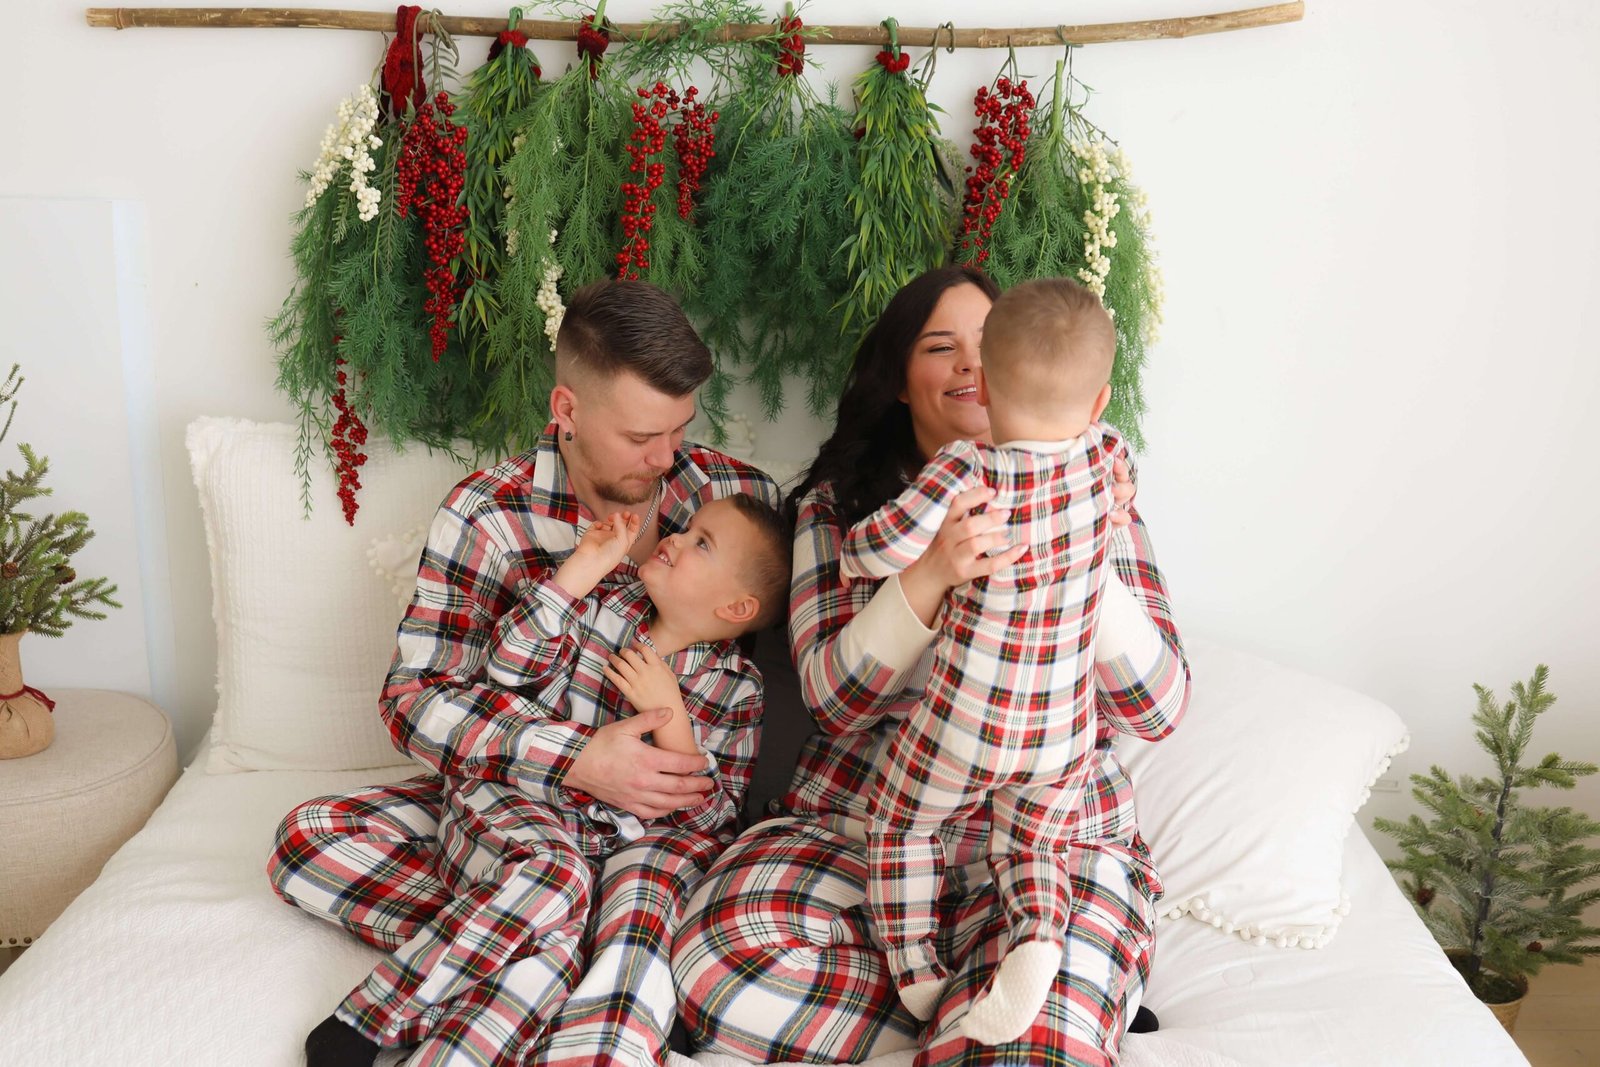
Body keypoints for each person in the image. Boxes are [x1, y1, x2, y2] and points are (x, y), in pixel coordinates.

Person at [672, 265, 1190, 1067]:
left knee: (1029, 1043)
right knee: (718, 969)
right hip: (861, 830)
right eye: (941, 348)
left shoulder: (1102, 490)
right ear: (899, 381)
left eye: (986, 343)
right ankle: (970, 1021)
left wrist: (1077, 556)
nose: (971, 365)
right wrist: (929, 573)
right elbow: (835, 703)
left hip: (1048, 839)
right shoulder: (839, 509)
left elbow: (1155, 709)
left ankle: (995, 1013)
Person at [267, 278, 780, 1067]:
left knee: (563, 891)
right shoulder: (487, 516)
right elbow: (414, 701)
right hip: (521, 803)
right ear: (567, 410)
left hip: (632, 846)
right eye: (641, 435)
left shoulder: (735, 500)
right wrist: (573, 756)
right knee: (308, 839)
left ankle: (529, 937)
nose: (667, 458)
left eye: (681, 428)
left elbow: (720, 772)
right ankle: (559, 934)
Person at [301, 491, 790, 1067]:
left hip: (593, 857)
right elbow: (507, 668)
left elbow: (712, 820)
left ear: (736, 607)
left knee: (554, 931)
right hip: (515, 802)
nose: (675, 538)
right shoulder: (601, 603)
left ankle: (512, 954)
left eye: (701, 543)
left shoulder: (737, 689)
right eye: (687, 528)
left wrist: (673, 723)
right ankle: (379, 1012)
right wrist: (579, 571)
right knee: (552, 879)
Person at [840, 277, 1149, 1043]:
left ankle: (916, 972)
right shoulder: (1106, 453)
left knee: (899, 823)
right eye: (937, 346)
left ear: (987, 385)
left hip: (967, 724)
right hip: (1060, 737)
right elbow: (834, 701)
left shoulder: (970, 470)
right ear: (1100, 399)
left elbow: (874, 548)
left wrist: (862, 551)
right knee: (1036, 842)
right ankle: (1038, 934)